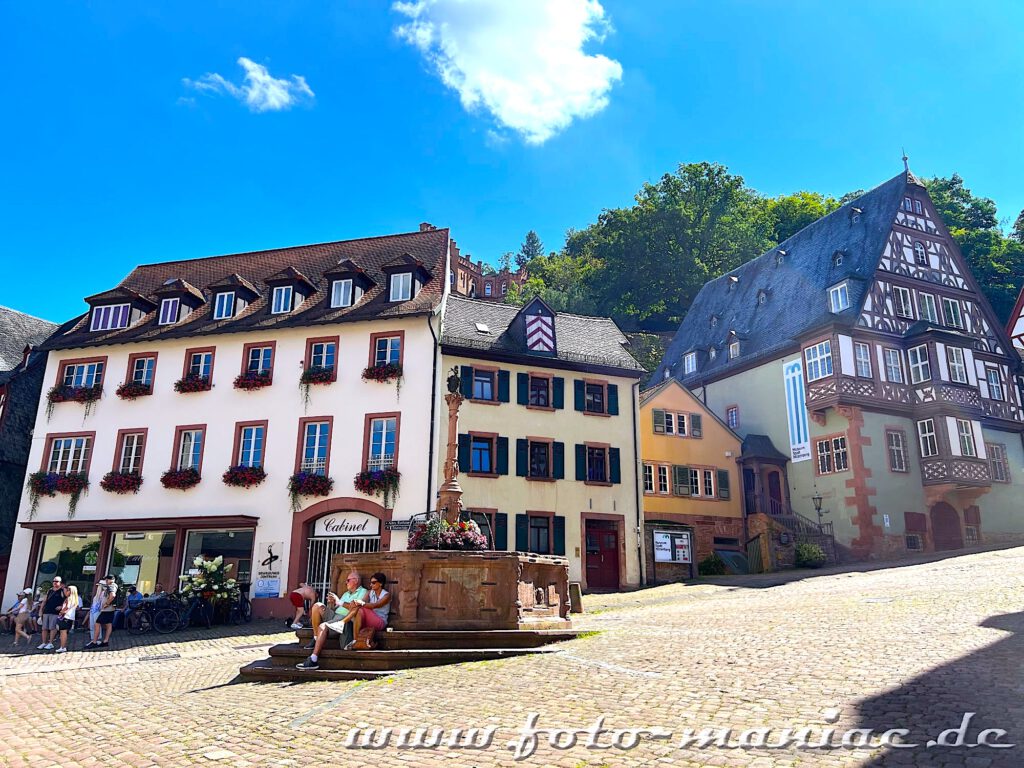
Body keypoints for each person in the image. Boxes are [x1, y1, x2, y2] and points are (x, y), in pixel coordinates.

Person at [296, 573, 367, 670]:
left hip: (345, 619)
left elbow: (355, 608)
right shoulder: (346, 593)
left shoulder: (363, 592)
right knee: (317, 605)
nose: (346, 582)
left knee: (323, 626)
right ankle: (316, 637)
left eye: (348, 580)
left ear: (356, 581)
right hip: (335, 615)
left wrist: (338, 602)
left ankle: (313, 659)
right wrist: (332, 604)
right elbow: (336, 607)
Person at [348, 572, 391, 651]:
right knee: (359, 609)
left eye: (373, 583)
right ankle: (355, 640)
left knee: (361, 608)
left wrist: (361, 603)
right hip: (369, 620)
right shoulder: (369, 592)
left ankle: (354, 638)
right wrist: (355, 602)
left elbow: (375, 605)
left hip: (380, 622)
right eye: (370, 583)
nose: (371, 585)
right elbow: (361, 603)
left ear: (381, 583)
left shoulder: (386, 595)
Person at [85, 575, 117, 649]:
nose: (106, 581)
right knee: (108, 624)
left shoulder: (111, 586)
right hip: (111, 609)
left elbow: (113, 595)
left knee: (97, 623)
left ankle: (95, 642)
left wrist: (107, 603)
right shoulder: (113, 586)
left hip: (106, 609)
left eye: (107, 580)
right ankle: (105, 641)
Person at [37, 576, 64, 650]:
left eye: (57, 581)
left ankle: (50, 643)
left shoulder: (62, 591)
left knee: (52, 627)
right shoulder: (50, 590)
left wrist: (61, 607)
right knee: (44, 628)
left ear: (60, 583)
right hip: (47, 611)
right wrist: (41, 610)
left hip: (55, 612)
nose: (55, 583)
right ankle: (43, 642)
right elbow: (44, 600)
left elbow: (66, 601)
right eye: (54, 581)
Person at [55, 585, 80, 653]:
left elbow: (66, 608)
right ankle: (63, 646)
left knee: (63, 633)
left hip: (65, 617)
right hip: (70, 618)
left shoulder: (68, 599)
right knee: (64, 632)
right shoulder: (75, 599)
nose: (65, 592)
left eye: (67, 590)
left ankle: (62, 647)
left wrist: (61, 612)